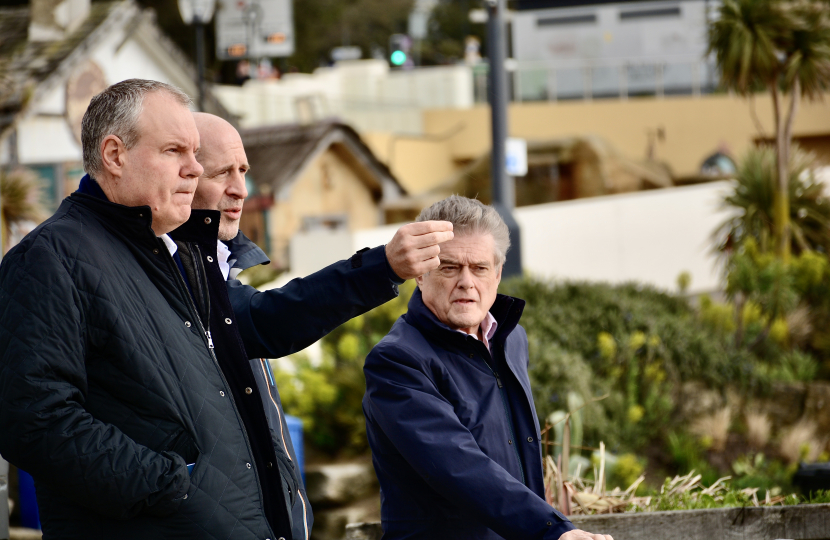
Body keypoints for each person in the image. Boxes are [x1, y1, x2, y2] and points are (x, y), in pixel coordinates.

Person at [0, 79, 447, 540]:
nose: (194, 170)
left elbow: (265, 322)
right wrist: (171, 484)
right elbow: (32, 420)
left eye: (197, 156)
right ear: (114, 156)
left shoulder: (177, 255)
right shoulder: (50, 259)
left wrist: (381, 267)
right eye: (176, 151)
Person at [189, 112, 455, 539]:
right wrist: (381, 266)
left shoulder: (219, 265)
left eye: (243, 172)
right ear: (181, 175)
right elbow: (268, 319)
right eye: (222, 173)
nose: (240, 189)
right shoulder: (177, 277)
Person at [362, 196, 613, 540]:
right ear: (420, 275)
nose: (467, 281)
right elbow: (458, 466)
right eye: (449, 267)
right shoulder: (396, 361)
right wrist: (552, 530)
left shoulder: (511, 339)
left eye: (479, 268)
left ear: (496, 275)